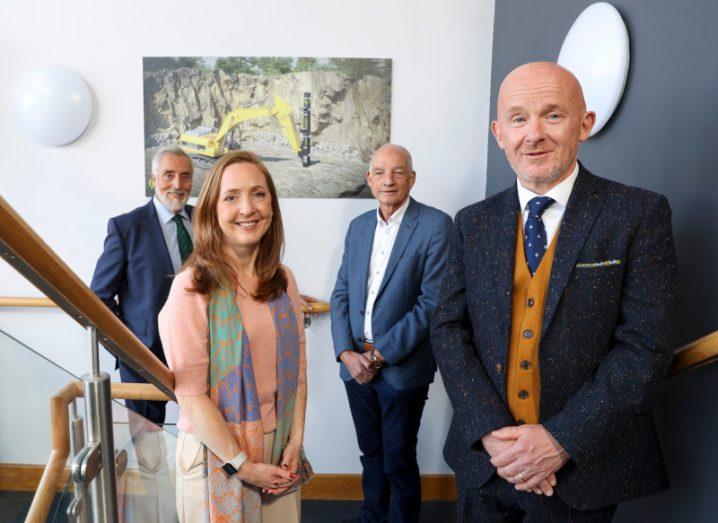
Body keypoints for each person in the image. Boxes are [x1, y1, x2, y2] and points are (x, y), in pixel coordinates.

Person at [431, 62, 679, 521]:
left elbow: (645, 344)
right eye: (518, 118)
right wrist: (491, 432)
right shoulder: (472, 222)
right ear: (499, 132)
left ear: (585, 124)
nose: (533, 134)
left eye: (553, 115)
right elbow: (449, 329)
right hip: (486, 464)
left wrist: (561, 439)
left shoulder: (637, 214)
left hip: (581, 469)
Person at [159, 150, 309, 522]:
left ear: (271, 205)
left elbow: (299, 368)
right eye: (231, 197)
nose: (248, 208)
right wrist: (241, 464)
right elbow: (191, 395)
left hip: (277, 452)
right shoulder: (192, 288)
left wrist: (295, 441)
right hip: (216, 454)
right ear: (211, 210)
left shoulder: (283, 279)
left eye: (258, 194)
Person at [330, 144, 453, 522]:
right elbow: (341, 294)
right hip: (355, 366)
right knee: (371, 455)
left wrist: (378, 356)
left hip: (401, 369)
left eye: (398, 172)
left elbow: (430, 304)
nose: (389, 180)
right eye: (380, 172)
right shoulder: (359, 227)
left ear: (411, 179)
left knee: (398, 459)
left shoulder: (435, 225)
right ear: (368, 179)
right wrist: (346, 354)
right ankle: (372, 518)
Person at [91, 144, 195, 425]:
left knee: (205, 434)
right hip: (144, 357)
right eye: (168, 175)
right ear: (153, 179)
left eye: (185, 176)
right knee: (149, 445)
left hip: (201, 349)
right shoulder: (126, 228)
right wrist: (126, 348)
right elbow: (98, 297)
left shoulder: (208, 222)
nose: (177, 184)